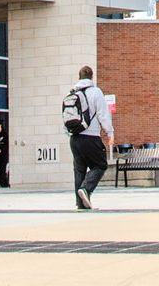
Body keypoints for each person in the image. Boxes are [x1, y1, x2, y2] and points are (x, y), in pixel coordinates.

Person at [69, 64, 114, 210]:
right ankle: (86, 189)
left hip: (74, 138)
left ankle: (81, 203)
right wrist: (110, 133)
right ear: (92, 77)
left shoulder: (72, 93)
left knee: (79, 169)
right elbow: (103, 114)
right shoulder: (96, 92)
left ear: (79, 77)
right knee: (100, 165)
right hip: (91, 136)